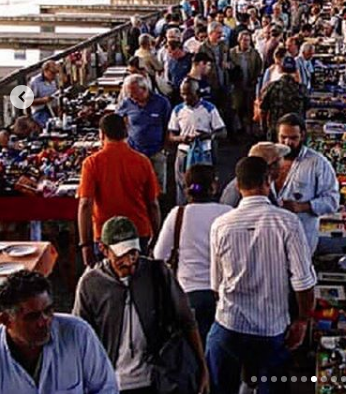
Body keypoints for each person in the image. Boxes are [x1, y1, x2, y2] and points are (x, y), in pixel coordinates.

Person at [207, 156, 316, 394]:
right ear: (268, 182)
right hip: (271, 330)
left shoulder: (220, 225)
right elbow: (303, 282)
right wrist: (303, 320)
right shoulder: (287, 222)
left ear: (238, 186)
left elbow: (216, 286)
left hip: (229, 326)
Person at [73, 216, 208, 394]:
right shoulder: (91, 283)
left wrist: (202, 368)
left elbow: (187, 320)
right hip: (112, 382)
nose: (129, 262)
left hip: (157, 380)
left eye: (133, 253)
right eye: (121, 255)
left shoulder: (158, 273)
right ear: (104, 249)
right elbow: (80, 335)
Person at [0, 270, 118, 394]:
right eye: (32, 317)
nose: (43, 322)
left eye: (48, 311)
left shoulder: (78, 333)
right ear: (6, 320)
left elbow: (106, 388)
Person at [154, 165, 231, 346]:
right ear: (214, 186)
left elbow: (159, 255)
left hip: (188, 293)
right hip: (224, 294)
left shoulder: (178, 215)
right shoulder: (228, 213)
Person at [77, 113, 161, 266]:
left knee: (107, 284)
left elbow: (85, 205)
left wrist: (85, 245)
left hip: (106, 236)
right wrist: (156, 236)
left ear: (101, 134)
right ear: (126, 132)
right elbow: (153, 204)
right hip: (138, 233)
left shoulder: (92, 163)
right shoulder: (143, 161)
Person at [274, 113, 340, 253]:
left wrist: (302, 206)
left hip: (301, 240)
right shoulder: (269, 160)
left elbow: (332, 201)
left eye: (293, 138)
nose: (287, 143)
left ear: (302, 136)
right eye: (283, 137)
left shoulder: (317, 163)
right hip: (271, 238)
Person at [168, 78, 227, 205]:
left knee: (202, 186)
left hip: (204, 154)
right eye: (182, 94)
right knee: (183, 185)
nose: (185, 97)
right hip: (184, 153)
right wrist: (182, 138)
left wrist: (208, 135)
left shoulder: (209, 109)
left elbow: (222, 132)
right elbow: (171, 136)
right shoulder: (178, 110)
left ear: (197, 92)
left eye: (188, 93)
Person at [117, 74, 171, 199]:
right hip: (135, 152)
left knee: (158, 188)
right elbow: (118, 122)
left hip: (156, 152)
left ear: (144, 89)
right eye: (129, 93)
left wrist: (165, 148)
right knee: (137, 187)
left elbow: (169, 126)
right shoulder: (126, 103)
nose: (131, 97)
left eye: (134, 93)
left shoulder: (162, 103)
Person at [220, 141, 290, 208]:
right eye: (280, 159)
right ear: (272, 166)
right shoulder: (255, 190)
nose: (283, 165)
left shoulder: (249, 184)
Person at [260, 56, 309, 141]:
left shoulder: (272, 87)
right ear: (296, 70)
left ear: (281, 69)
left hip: (276, 130)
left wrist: (264, 128)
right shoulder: (302, 89)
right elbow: (307, 108)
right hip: (295, 132)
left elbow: (263, 110)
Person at [229, 31, 263, 134]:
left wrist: (255, 78)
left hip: (250, 85)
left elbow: (259, 67)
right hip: (237, 86)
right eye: (243, 40)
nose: (245, 42)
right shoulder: (232, 53)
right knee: (237, 106)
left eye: (248, 40)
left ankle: (249, 129)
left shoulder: (254, 53)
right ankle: (239, 128)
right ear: (239, 41)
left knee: (249, 108)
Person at [28, 60, 61, 128]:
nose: (54, 75)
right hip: (40, 113)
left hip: (53, 111)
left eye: (56, 73)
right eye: (52, 73)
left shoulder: (54, 80)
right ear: (45, 71)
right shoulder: (35, 82)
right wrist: (43, 100)